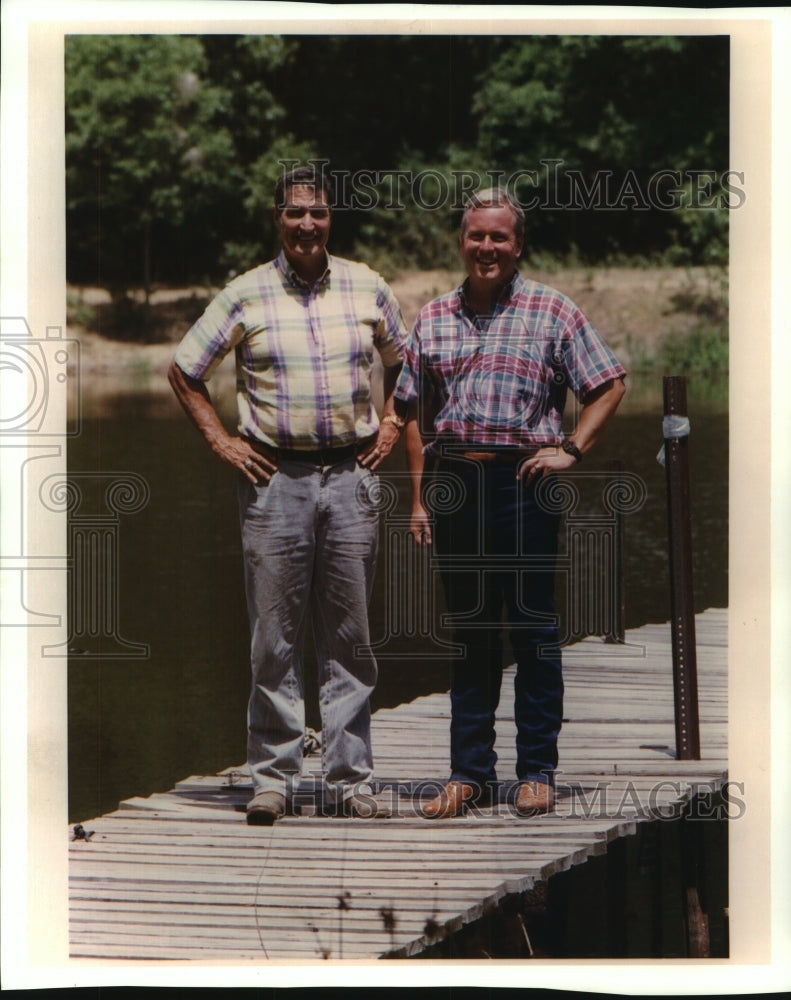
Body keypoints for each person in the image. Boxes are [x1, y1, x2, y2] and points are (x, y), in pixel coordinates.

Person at [168, 165, 408, 824]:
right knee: (271, 637)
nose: (307, 224)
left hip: (352, 478)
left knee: (350, 636)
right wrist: (221, 442)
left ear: (332, 218)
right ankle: (272, 776)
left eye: (319, 213)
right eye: (295, 212)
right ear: (277, 216)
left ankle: (347, 778)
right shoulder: (244, 295)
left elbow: (405, 364)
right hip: (273, 481)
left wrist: (390, 423)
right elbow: (185, 370)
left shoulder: (367, 286)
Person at [394, 188, 626, 819]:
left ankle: (536, 771)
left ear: (517, 244)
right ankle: (469, 774)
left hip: (525, 481)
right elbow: (409, 410)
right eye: (476, 236)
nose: (486, 247)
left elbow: (608, 385)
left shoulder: (554, 311)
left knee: (532, 627)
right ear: (461, 241)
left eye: (499, 237)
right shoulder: (435, 316)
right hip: (456, 482)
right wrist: (418, 497)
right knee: (470, 632)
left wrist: (571, 450)